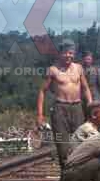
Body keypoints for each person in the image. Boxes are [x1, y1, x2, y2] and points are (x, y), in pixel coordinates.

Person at [37, 39, 93, 167]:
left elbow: (85, 88)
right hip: (60, 110)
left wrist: (90, 105)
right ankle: (66, 178)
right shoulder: (53, 70)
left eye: (71, 53)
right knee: (63, 147)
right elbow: (42, 91)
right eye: (65, 53)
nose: (68, 56)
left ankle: (80, 177)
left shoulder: (79, 68)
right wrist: (40, 115)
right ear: (60, 54)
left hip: (78, 108)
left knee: (80, 144)